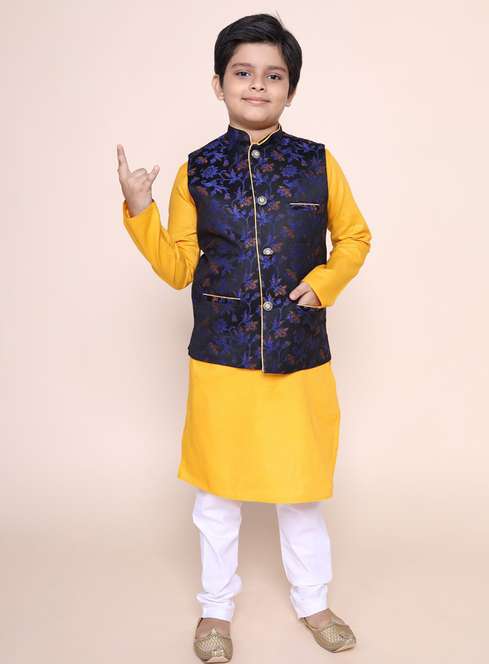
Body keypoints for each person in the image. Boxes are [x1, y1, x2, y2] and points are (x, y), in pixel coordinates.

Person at [117, 12, 372, 662]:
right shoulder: (197, 171)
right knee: (217, 495)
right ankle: (216, 610)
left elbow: (354, 237)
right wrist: (142, 210)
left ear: (291, 89)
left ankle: (313, 602)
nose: (258, 85)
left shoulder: (318, 163)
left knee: (300, 492)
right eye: (243, 72)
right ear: (219, 83)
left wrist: (324, 282)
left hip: (298, 354)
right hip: (221, 357)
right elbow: (178, 267)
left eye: (273, 75)